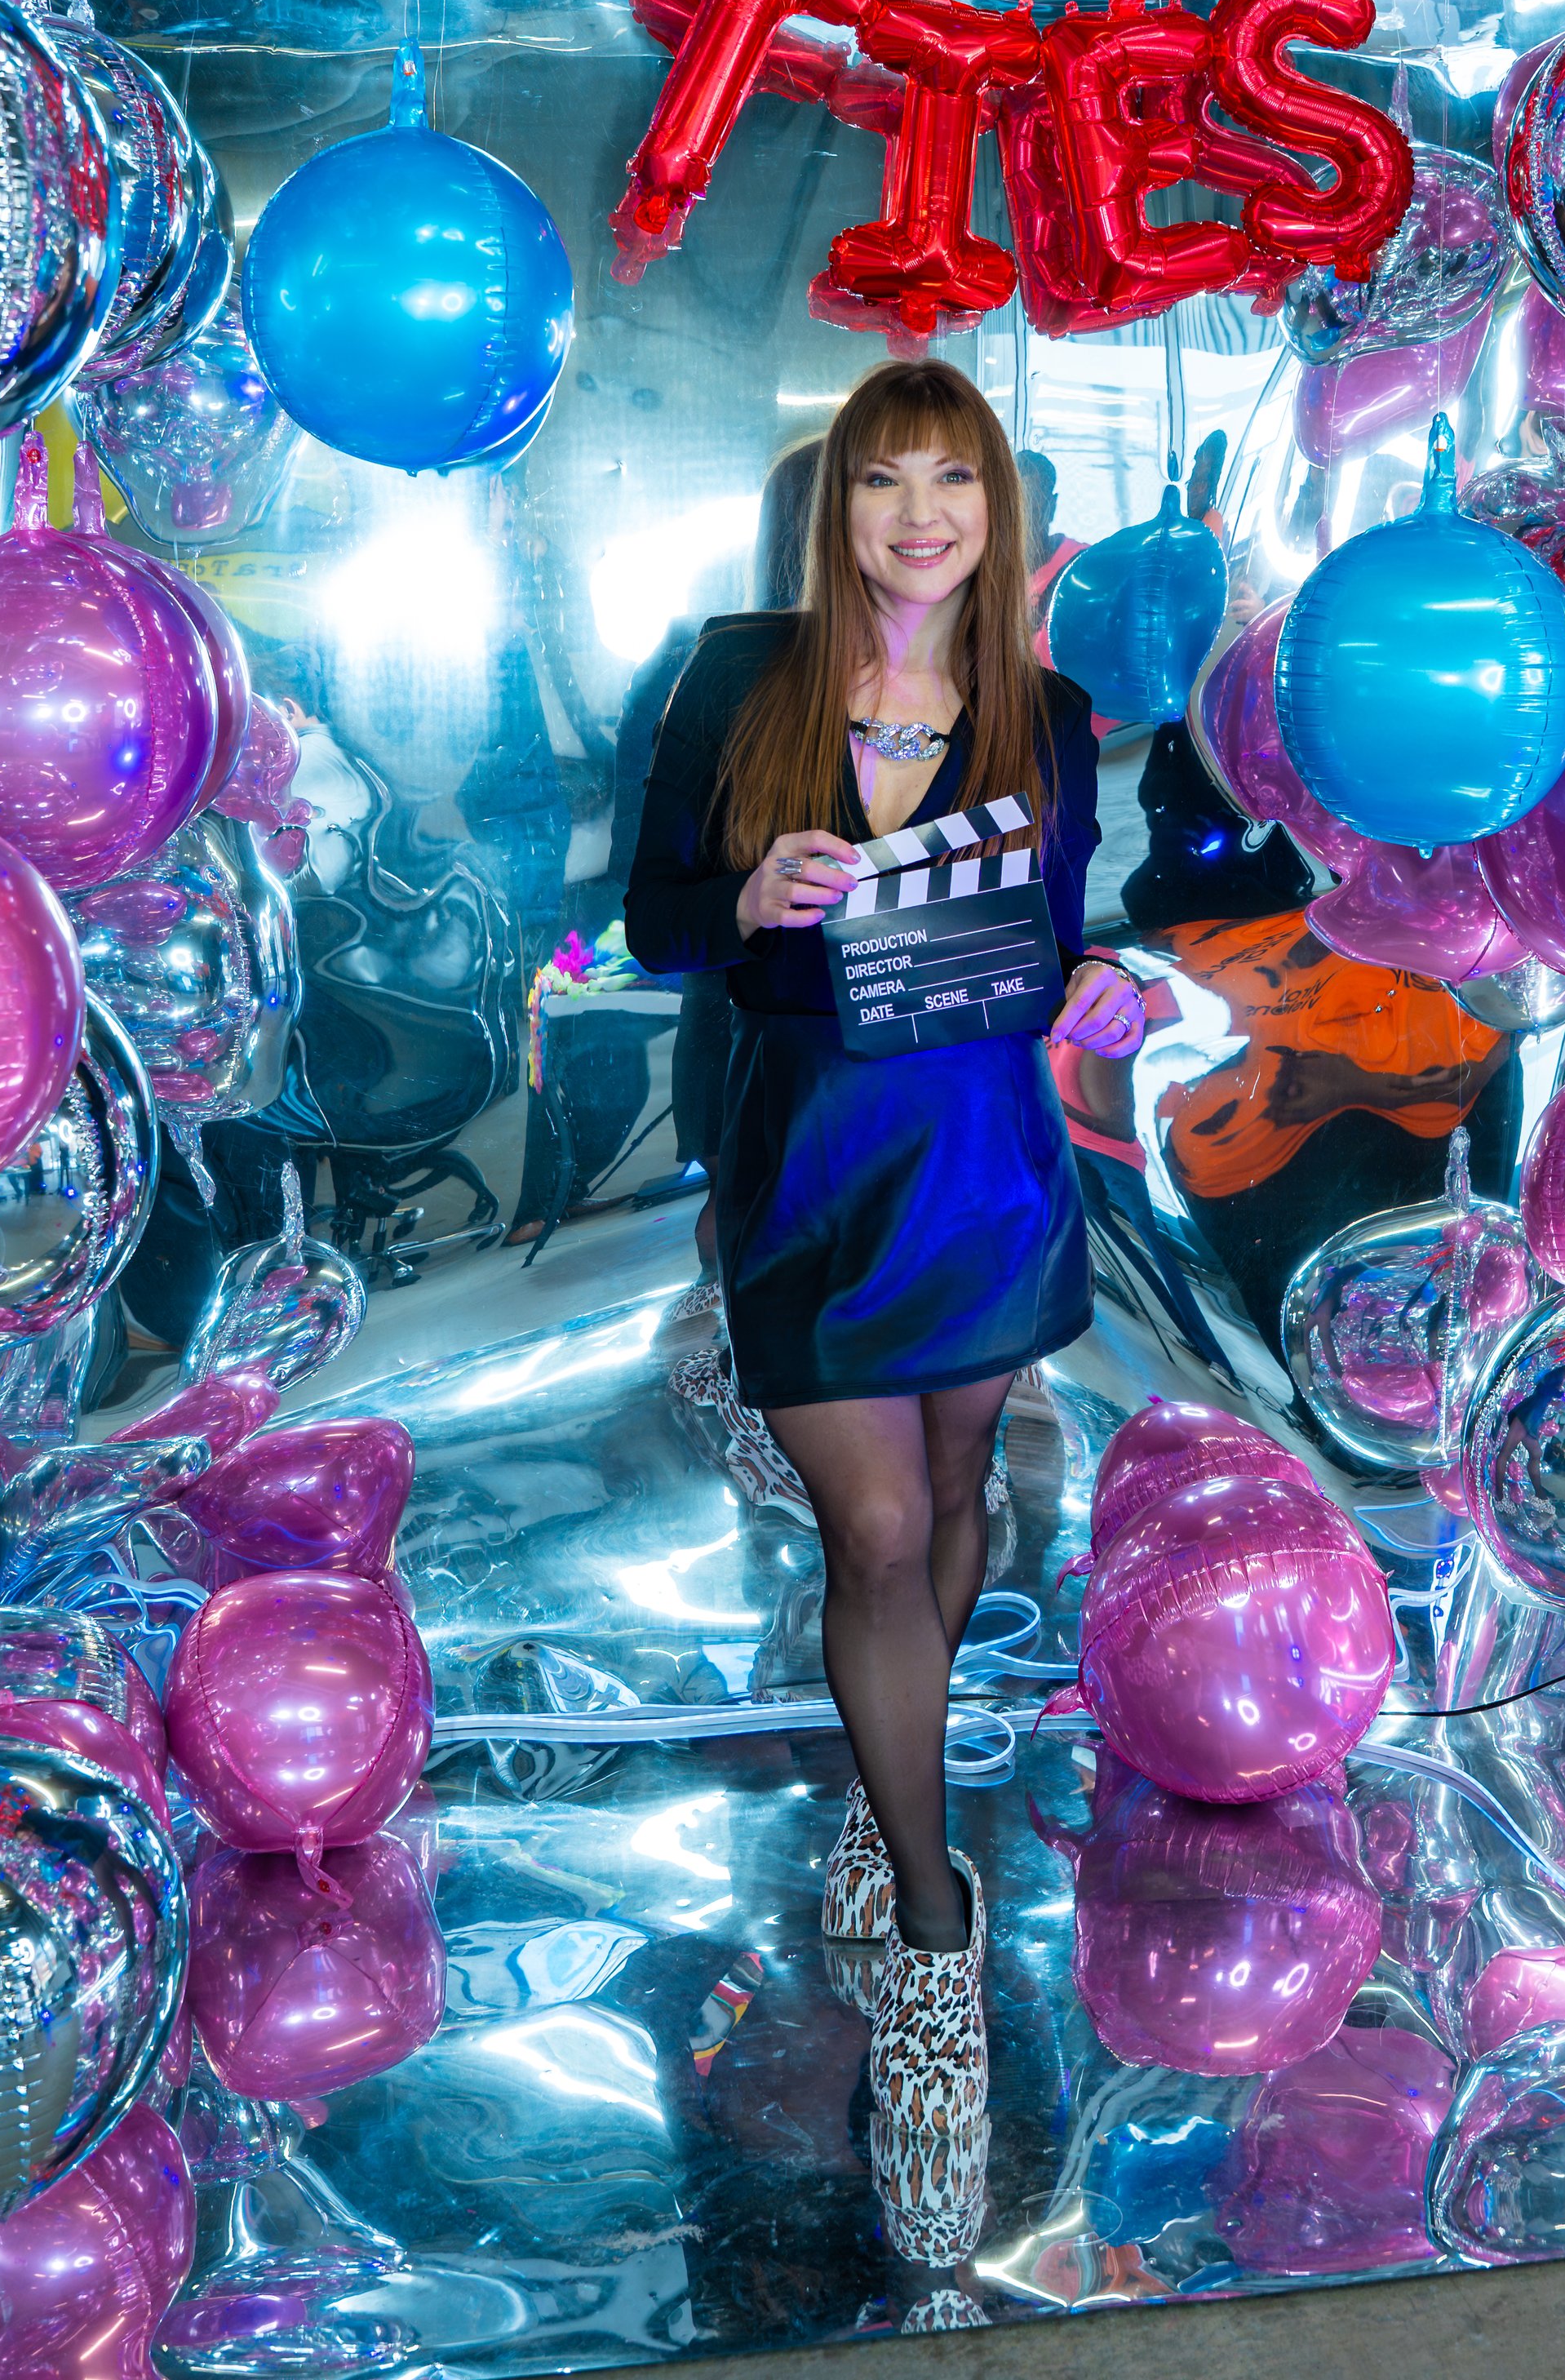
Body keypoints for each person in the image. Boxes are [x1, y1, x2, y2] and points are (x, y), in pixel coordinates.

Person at [625, 360, 1142, 2077]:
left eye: (954, 481)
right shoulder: (738, 675)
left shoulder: (1045, 713)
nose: (919, 515)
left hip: (984, 1159)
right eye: (882, 479)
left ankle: (890, 1775)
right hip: (810, 1151)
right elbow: (652, 924)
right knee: (878, 1525)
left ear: (998, 511)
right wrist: (744, 893)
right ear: (835, 502)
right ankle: (928, 1903)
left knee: (959, 1495)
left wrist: (1108, 985)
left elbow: (1054, 942)